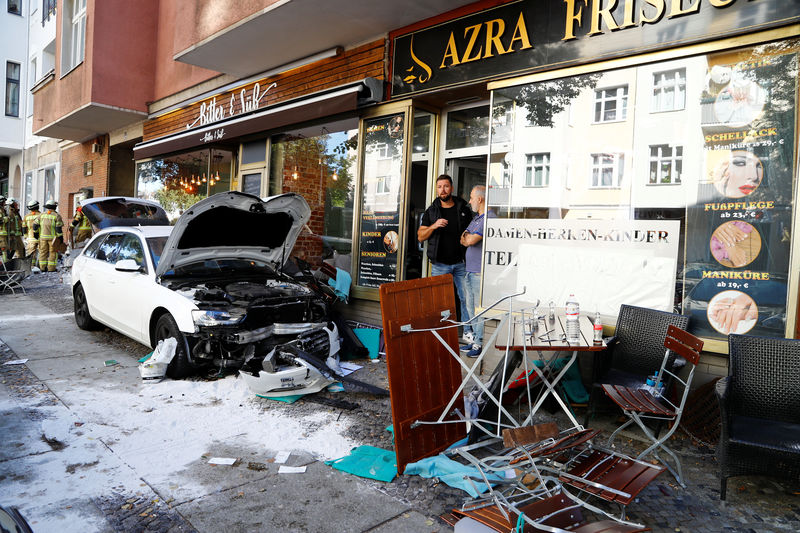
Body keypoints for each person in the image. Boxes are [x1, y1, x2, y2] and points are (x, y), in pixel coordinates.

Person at [417, 174, 474, 339]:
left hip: (461, 263)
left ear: (452, 188)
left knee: (466, 299)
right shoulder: (432, 211)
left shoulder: (463, 208)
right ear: (437, 189)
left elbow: (472, 230)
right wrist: (434, 226)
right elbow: (421, 236)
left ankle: (468, 332)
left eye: (446, 186)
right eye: (439, 187)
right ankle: (440, 333)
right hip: (440, 264)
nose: (443, 190)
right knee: (438, 301)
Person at [459, 185, 487, 358]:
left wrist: (467, 238)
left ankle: (479, 343)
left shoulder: (488, 219)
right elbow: (464, 236)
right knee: (470, 308)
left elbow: (470, 240)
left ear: (480, 199)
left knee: (478, 310)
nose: (469, 201)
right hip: (469, 270)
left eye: (471, 197)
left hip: (479, 273)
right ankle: (474, 341)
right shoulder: (477, 218)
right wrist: (467, 237)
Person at [35, 201, 64, 272]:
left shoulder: (41, 215)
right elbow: (58, 229)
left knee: (43, 252)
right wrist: (60, 237)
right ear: (54, 207)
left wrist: (35, 233)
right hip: (53, 239)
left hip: (42, 238)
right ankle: (51, 269)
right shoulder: (56, 216)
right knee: (53, 253)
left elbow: (35, 225)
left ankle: (42, 268)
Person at [22, 200, 41, 265]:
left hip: (30, 238)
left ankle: (31, 266)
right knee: (41, 253)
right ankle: (39, 266)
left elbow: (24, 227)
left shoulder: (26, 216)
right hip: (40, 237)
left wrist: (25, 236)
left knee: (31, 253)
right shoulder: (41, 215)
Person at [0, 196, 8, 263]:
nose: (5, 203)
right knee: (3, 249)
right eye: (3, 202)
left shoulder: (2, 209)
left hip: (2, 234)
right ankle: (5, 264)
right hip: (1, 234)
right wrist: (6, 219)